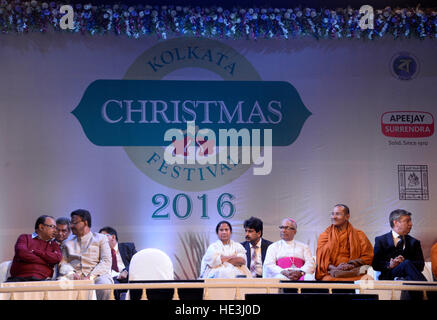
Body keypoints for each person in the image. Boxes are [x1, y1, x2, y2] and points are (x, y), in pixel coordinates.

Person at [59, 209, 113, 300]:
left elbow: (106, 261)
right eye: (71, 223)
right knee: (60, 285)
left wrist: (90, 277)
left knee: (104, 286)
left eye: (74, 223)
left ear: (85, 222)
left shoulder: (101, 238)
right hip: (73, 277)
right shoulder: (66, 242)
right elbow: (63, 263)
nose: (71, 226)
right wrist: (71, 273)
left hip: (97, 276)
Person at [316, 204, 374, 281]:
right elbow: (322, 260)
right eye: (332, 214)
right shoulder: (325, 235)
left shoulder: (359, 235)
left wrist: (351, 265)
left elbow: (368, 256)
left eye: (338, 214)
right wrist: (336, 268)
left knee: (367, 279)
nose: (334, 217)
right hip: (332, 273)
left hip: (354, 271)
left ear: (347, 216)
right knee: (327, 280)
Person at [372, 209, 426, 281]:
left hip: (409, 276)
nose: (411, 224)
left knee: (408, 273)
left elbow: (420, 265)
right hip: (389, 276)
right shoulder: (381, 240)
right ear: (396, 223)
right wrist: (390, 265)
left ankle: (428, 291)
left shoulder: (414, 242)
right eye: (407, 221)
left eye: (410, 221)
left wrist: (403, 262)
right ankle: (430, 290)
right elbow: (376, 264)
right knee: (406, 264)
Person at [8, 215, 61, 281]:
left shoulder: (54, 245)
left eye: (56, 228)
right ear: (41, 227)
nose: (55, 231)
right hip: (19, 279)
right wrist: (47, 263)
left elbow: (57, 258)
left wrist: (36, 252)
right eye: (52, 227)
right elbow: (22, 254)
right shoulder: (25, 237)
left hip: (42, 281)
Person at [99, 226, 137, 300]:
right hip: (111, 279)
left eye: (103, 237)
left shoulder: (128, 247)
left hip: (128, 277)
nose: (100, 240)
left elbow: (137, 261)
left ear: (113, 237)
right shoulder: (100, 253)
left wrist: (126, 271)